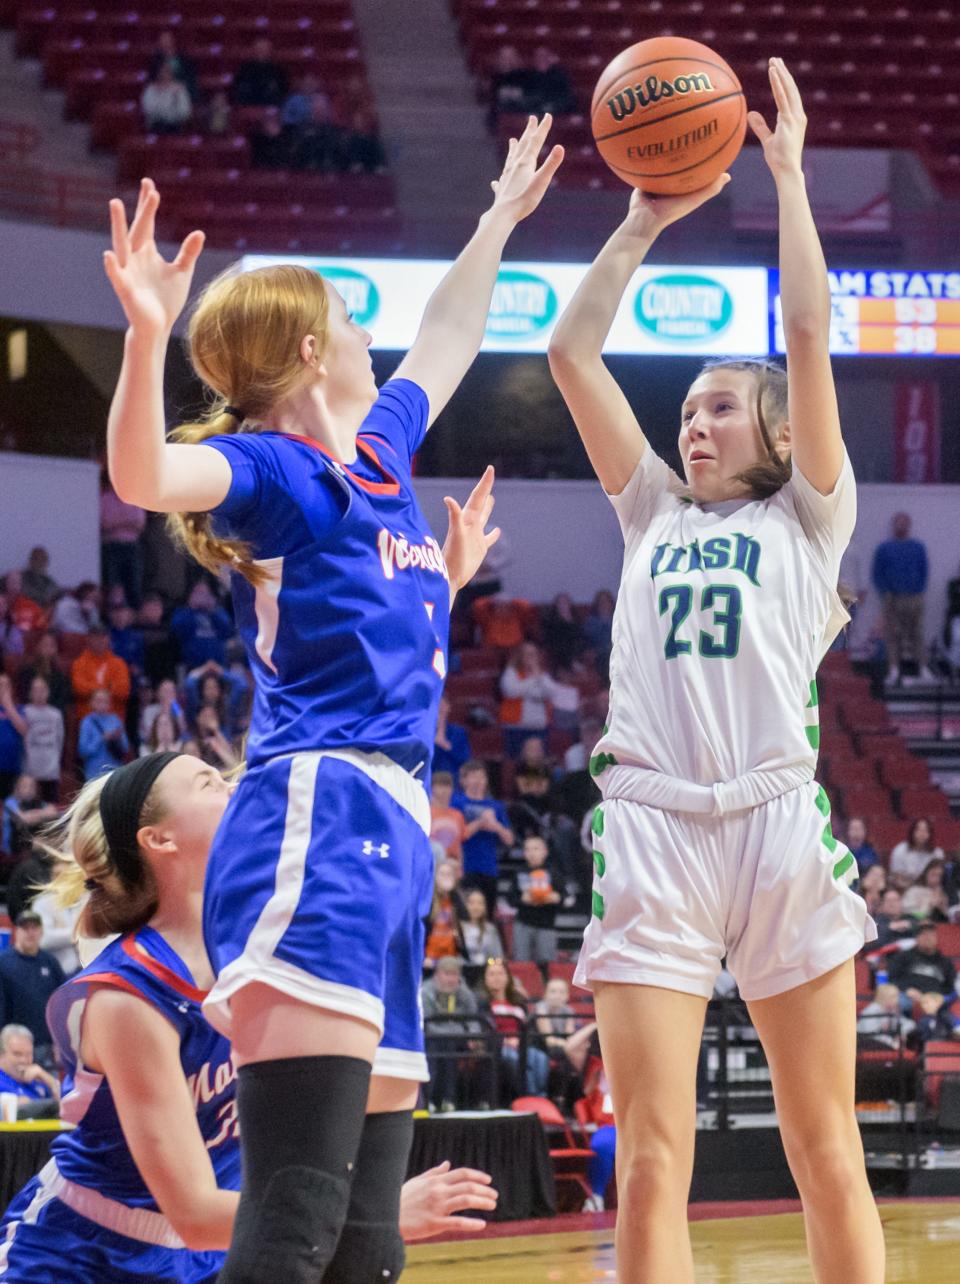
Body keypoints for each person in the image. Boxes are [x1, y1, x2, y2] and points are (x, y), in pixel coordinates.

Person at [101, 117, 561, 1282]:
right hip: (318, 811)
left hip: (394, 828)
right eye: (353, 321)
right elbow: (146, 475)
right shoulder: (283, 476)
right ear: (311, 351)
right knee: (298, 1212)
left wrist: (498, 221)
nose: (373, 337)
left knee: (367, 1241)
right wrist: (149, 336)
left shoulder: (380, 464)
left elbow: (450, 340)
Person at [548, 60, 882, 1282]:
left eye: (719, 410)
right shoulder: (648, 513)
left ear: (776, 433)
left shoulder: (812, 514)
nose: (693, 425)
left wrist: (788, 177)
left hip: (777, 820)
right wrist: (640, 217)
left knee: (822, 1144)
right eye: (686, 410)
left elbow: (803, 331)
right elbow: (574, 353)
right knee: (649, 1155)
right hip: (650, 829)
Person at [0, 754, 498, 1280]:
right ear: (161, 840)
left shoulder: (266, 951)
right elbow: (192, 1212)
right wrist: (375, 1216)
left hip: (212, 1251)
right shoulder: (128, 995)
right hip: (78, 1257)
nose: (234, 786)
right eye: (208, 782)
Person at [871, 512, 931, 685]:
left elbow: (924, 570)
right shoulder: (884, 548)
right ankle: (894, 670)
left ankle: (923, 668)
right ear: (893, 525)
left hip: (914, 598)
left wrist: (918, 590)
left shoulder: (917, 547)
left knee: (916, 633)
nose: (901, 526)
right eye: (898, 523)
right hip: (892, 598)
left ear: (909, 525)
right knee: (892, 635)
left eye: (904, 523)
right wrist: (885, 592)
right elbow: (877, 573)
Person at [476, 957, 549, 1099]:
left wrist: (521, 1042)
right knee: (515, 1059)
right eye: (492, 974)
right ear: (485, 979)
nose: (497, 977)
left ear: (508, 977)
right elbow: (485, 1029)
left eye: (501, 973)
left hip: (522, 1044)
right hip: (499, 1047)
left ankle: (541, 1097)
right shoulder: (482, 1003)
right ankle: (529, 1096)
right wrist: (505, 1041)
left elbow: (529, 1028)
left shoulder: (519, 1002)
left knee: (540, 1058)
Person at [420, 955, 485, 1111]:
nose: (451, 979)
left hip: (458, 1037)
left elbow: (473, 1019)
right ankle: (433, 1099)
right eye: (447, 974)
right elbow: (428, 1023)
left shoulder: (465, 993)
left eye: (455, 974)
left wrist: (473, 1036)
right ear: (437, 974)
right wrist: (456, 1033)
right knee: (441, 1046)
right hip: (433, 1037)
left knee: (481, 1047)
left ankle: (461, 1101)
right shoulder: (426, 992)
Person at [0, 909, 66, 1062]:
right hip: (14, 1049)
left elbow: (61, 1004)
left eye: (34, 928)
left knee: (50, 1085)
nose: (30, 932)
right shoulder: (3, 963)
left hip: (46, 1045)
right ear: (16, 931)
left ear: (41, 931)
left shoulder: (50, 962)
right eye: (25, 928)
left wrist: (60, 1041)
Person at [453, 759, 515, 915]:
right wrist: (480, 823)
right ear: (463, 780)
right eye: (473, 777)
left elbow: (509, 840)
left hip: (488, 868)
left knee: (487, 916)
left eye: (481, 777)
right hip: (464, 867)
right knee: (464, 914)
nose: (478, 781)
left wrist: (497, 827)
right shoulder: (456, 803)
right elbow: (454, 835)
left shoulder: (496, 806)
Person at [499, 640, 563, 757]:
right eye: (528, 654)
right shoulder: (512, 672)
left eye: (533, 654)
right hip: (516, 727)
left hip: (538, 727)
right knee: (516, 760)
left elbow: (552, 691)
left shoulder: (542, 674)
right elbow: (512, 691)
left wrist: (537, 676)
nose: (531, 658)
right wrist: (534, 680)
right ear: (520, 655)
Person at [510, 834, 561, 966]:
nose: (531, 853)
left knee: (547, 964)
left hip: (546, 925)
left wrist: (556, 897)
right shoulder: (519, 872)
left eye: (536, 849)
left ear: (545, 851)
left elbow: (565, 896)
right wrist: (522, 899)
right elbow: (510, 898)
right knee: (521, 963)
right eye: (527, 849)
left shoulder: (554, 872)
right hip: (523, 923)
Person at [100, 479, 147, 610]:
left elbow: (139, 525)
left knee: (134, 583)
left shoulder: (134, 499)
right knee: (112, 583)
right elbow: (104, 524)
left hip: (132, 547)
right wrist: (127, 523)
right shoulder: (105, 499)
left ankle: (132, 615)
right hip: (112, 547)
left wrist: (117, 523)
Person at [71, 625, 131, 722]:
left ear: (108, 639)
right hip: (87, 720)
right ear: (88, 639)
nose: (99, 640)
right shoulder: (79, 663)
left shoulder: (119, 663)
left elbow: (123, 691)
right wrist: (108, 688)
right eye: (95, 637)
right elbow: (79, 688)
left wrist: (93, 690)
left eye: (103, 637)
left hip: (114, 721)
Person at [888, 921, 956, 1004]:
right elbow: (892, 979)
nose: (928, 938)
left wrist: (937, 996)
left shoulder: (945, 962)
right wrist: (906, 990)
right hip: (908, 999)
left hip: (935, 1002)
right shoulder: (903, 957)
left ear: (936, 938)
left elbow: (950, 987)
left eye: (931, 934)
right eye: (923, 934)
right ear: (917, 938)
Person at [21, 675, 64, 803]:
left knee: (50, 810)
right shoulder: (24, 712)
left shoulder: (56, 714)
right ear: (30, 692)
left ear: (48, 692)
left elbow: (59, 741)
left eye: (42, 689)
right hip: (29, 770)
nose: (39, 693)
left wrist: (56, 764)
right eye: (36, 690)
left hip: (50, 770)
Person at [0, 1023, 60, 1111]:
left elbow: (66, 1108)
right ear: (1, 1054)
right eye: (17, 1054)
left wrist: (48, 1079)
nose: (24, 1060)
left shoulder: (37, 1081)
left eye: (28, 1054)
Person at [423, 860, 466, 972]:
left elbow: (465, 918)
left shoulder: (456, 899)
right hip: (429, 958)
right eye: (442, 874)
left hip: (451, 957)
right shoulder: (427, 900)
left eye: (449, 874)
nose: (446, 877)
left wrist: (452, 892)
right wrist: (422, 957)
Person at [78, 688, 130, 780]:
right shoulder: (87, 722)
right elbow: (83, 750)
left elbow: (126, 747)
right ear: (91, 703)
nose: (102, 703)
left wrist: (117, 738)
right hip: (94, 772)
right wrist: (101, 739)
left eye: (105, 701)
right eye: (98, 700)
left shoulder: (116, 720)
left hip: (114, 771)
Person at [16, 630, 72, 713]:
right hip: (30, 713)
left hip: (53, 715)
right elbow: (23, 697)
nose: (48, 649)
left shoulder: (61, 674)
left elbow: (63, 700)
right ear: (37, 646)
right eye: (45, 645)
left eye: (52, 645)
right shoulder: (26, 671)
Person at [230, 37, 288, 108]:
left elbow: (283, 88)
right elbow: (237, 86)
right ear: (254, 50)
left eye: (264, 49)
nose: (261, 51)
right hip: (248, 102)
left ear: (270, 50)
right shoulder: (244, 68)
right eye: (259, 48)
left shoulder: (278, 69)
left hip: (270, 103)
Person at [889, 818, 944, 891]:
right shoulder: (900, 850)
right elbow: (896, 878)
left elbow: (937, 878)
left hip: (929, 889)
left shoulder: (937, 853)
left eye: (926, 831)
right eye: (919, 830)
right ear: (912, 832)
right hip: (905, 889)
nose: (922, 834)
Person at [459, 887, 504, 972]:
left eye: (480, 903)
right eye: (471, 903)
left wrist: (487, 963)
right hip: (459, 972)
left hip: (484, 972)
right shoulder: (455, 927)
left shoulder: (490, 929)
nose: (476, 907)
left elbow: (497, 959)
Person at [140, 64, 192, 135]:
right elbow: (148, 110)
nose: (164, 75)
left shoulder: (180, 89)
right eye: (162, 72)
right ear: (158, 74)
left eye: (167, 72)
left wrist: (167, 111)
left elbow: (184, 112)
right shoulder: (150, 89)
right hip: (155, 126)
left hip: (176, 126)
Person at [430, 770, 468, 864]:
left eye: (447, 786)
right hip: (433, 860)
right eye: (440, 786)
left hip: (453, 863)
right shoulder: (427, 812)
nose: (444, 790)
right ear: (432, 789)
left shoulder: (457, 815)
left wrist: (460, 866)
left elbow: (458, 844)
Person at [433, 693, 472, 779]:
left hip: (455, 780)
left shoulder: (458, 732)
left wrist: (446, 747)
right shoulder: (423, 733)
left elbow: (465, 759)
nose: (440, 708)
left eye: (443, 705)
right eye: (437, 705)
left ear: (448, 707)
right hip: (431, 780)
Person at [0, 673, 26, 802]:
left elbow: (23, 729)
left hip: (12, 766)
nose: (2, 689)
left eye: (6, 686)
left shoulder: (18, 709)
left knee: (10, 804)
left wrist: (7, 704)